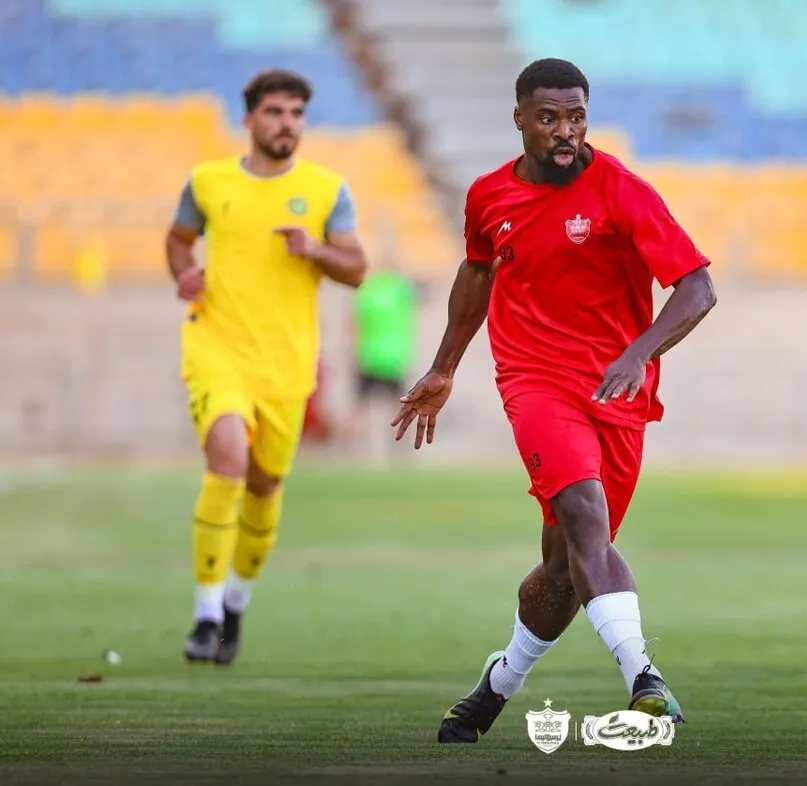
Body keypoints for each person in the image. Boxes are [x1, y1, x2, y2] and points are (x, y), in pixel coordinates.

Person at [391, 58, 718, 743]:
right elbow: (477, 272)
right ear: (520, 120)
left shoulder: (623, 192)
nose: (565, 131)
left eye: (576, 117)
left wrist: (639, 352)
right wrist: (445, 367)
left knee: (564, 569)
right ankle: (644, 678)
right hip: (534, 381)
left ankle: (497, 684)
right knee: (585, 515)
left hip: (616, 390)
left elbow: (697, 288)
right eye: (548, 118)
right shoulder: (489, 197)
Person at [165, 69, 368, 665]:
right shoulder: (208, 182)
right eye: (276, 112)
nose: (287, 124)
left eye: (297, 113)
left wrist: (314, 250)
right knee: (227, 456)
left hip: (286, 364)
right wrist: (184, 272)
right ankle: (205, 615)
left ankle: (234, 602)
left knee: (264, 485)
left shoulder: (327, 190)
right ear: (249, 118)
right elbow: (178, 239)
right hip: (217, 347)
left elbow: (357, 269)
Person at [351, 260, 419, 465]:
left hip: (369, 356)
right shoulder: (400, 290)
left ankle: (358, 453)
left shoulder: (367, 290)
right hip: (394, 357)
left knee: (362, 409)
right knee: (400, 409)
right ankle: (404, 452)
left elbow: (356, 324)